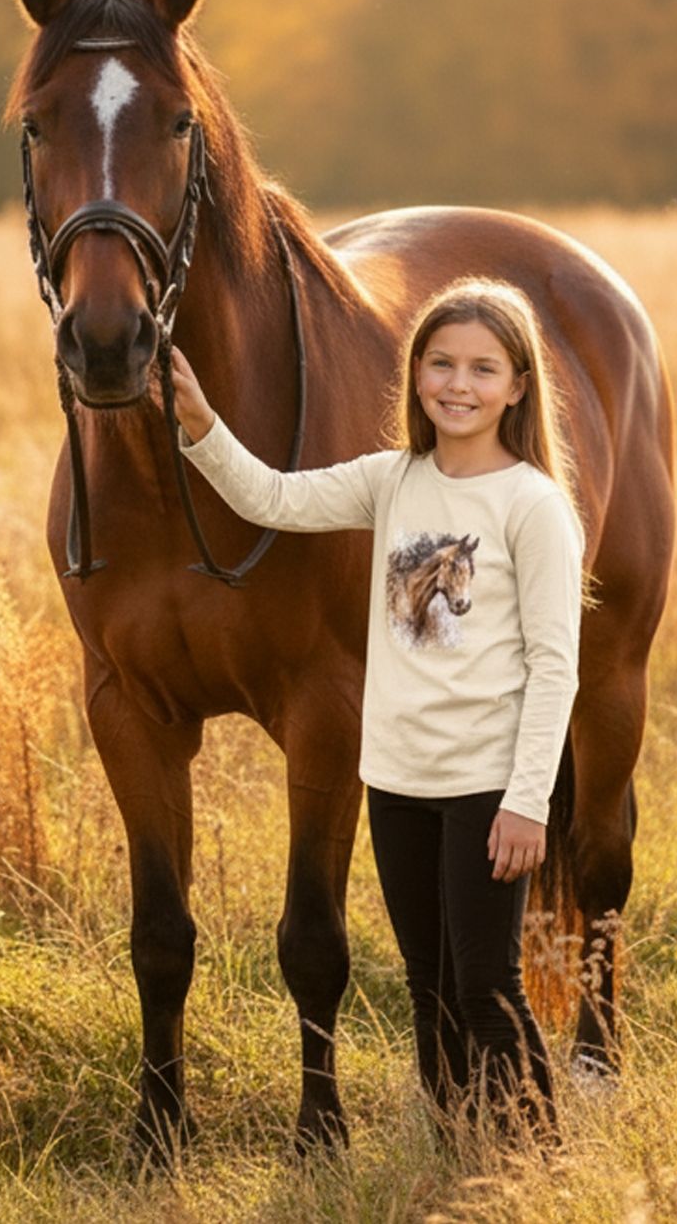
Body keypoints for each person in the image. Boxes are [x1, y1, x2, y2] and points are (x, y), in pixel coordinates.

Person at [171, 277, 585, 1139]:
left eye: (482, 367)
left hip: (486, 787)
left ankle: (535, 1158)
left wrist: (525, 800)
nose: (458, 385)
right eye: (440, 363)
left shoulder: (532, 506)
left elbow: (555, 667)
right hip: (397, 782)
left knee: (485, 984)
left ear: (517, 385)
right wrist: (204, 426)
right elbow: (273, 498)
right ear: (416, 374)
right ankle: (455, 1142)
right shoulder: (392, 481)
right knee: (426, 981)